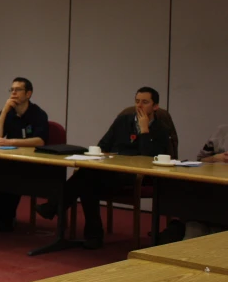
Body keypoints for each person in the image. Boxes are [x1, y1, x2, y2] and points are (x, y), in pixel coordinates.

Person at [36, 87, 170, 249]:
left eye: (145, 102)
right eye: (137, 102)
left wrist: (144, 131)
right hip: (111, 170)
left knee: (86, 178)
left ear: (155, 106)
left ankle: (56, 208)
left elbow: (149, 158)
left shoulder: (161, 129)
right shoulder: (123, 121)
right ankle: (91, 235)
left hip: (135, 175)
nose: (139, 106)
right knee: (87, 180)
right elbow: (103, 145)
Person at [0, 78, 48, 232]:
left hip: (31, 162)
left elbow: (40, 141)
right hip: (9, 158)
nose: (13, 93)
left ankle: (6, 218)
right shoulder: (8, 112)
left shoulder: (38, 114)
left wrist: (11, 141)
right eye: (11, 89)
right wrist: (4, 111)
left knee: (11, 175)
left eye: (18, 90)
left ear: (28, 94)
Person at [181, 127, 228, 239]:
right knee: (195, 224)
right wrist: (215, 158)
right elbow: (201, 160)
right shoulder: (221, 132)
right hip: (211, 191)